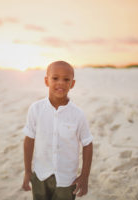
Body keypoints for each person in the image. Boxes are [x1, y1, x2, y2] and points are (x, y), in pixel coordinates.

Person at [22, 61, 93, 200]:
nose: (60, 83)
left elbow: (87, 144)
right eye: (55, 78)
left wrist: (84, 176)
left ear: (72, 84)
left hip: (67, 180)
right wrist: (27, 171)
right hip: (40, 175)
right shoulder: (35, 109)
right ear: (46, 80)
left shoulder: (77, 114)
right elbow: (29, 139)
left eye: (66, 79)